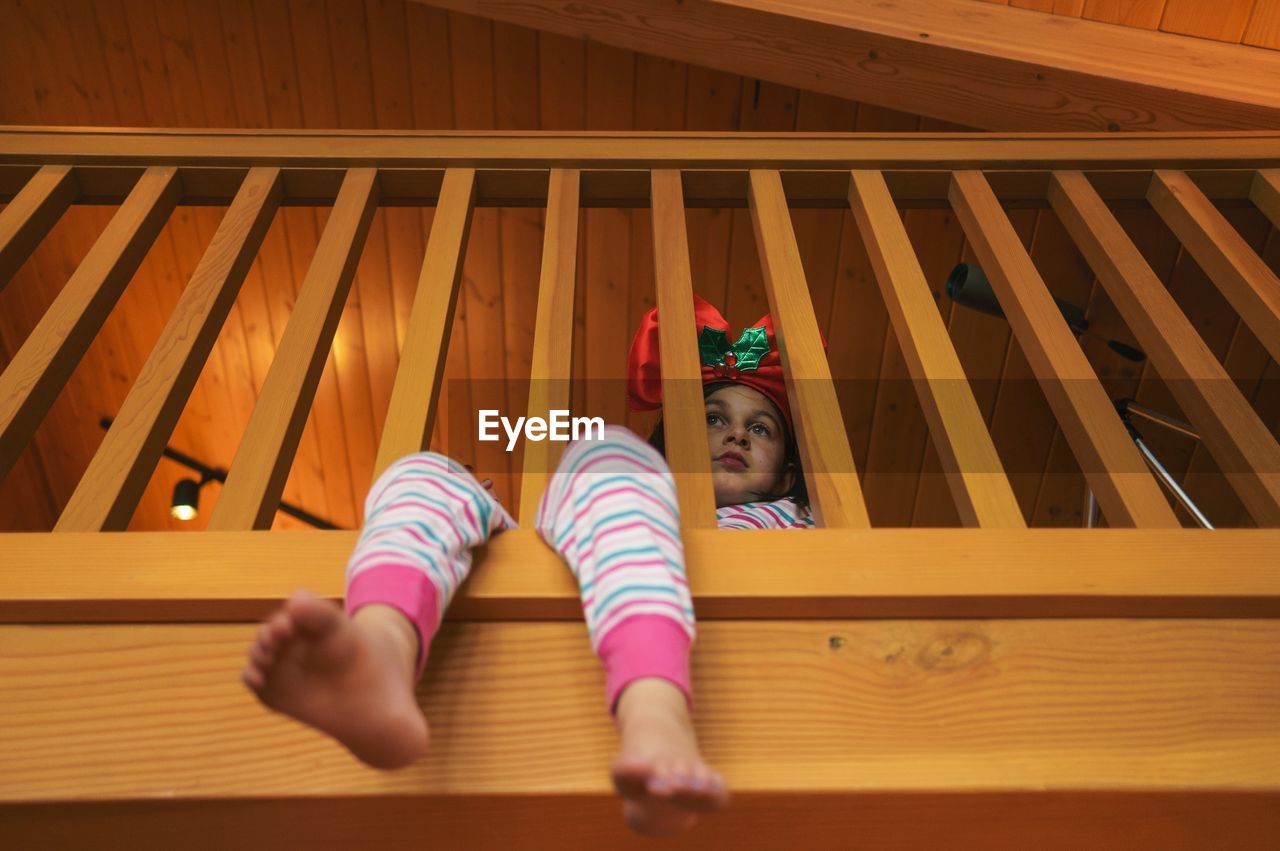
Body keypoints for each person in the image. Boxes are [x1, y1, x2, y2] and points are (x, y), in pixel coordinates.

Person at [241, 295, 817, 836]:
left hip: (640, 632)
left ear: (787, 475)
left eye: (759, 428)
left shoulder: (791, 519)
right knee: (433, 471)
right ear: (667, 454)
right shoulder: (632, 487)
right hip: (588, 538)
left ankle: (656, 715)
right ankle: (381, 653)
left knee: (603, 454)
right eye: (712, 418)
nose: (735, 432)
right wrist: (474, 508)